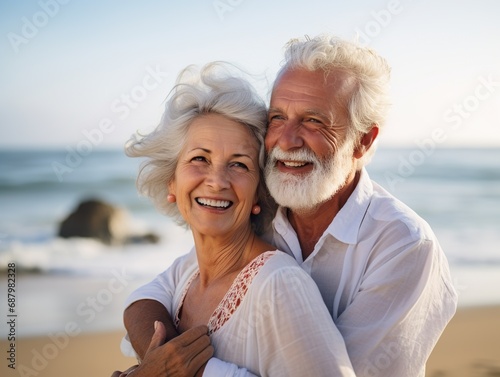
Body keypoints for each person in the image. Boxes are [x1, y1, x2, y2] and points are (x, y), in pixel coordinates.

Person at [120, 35, 458, 376]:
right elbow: (153, 295)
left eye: (314, 121)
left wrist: (183, 372)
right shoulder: (263, 209)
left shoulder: (404, 245)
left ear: (363, 141)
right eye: (278, 117)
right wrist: (156, 365)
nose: (287, 139)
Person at [115, 61, 355, 376]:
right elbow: (140, 302)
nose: (217, 181)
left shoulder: (280, 285)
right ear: (171, 182)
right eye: (200, 158)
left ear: (258, 193)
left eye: (239, 164)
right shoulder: (190, 269)